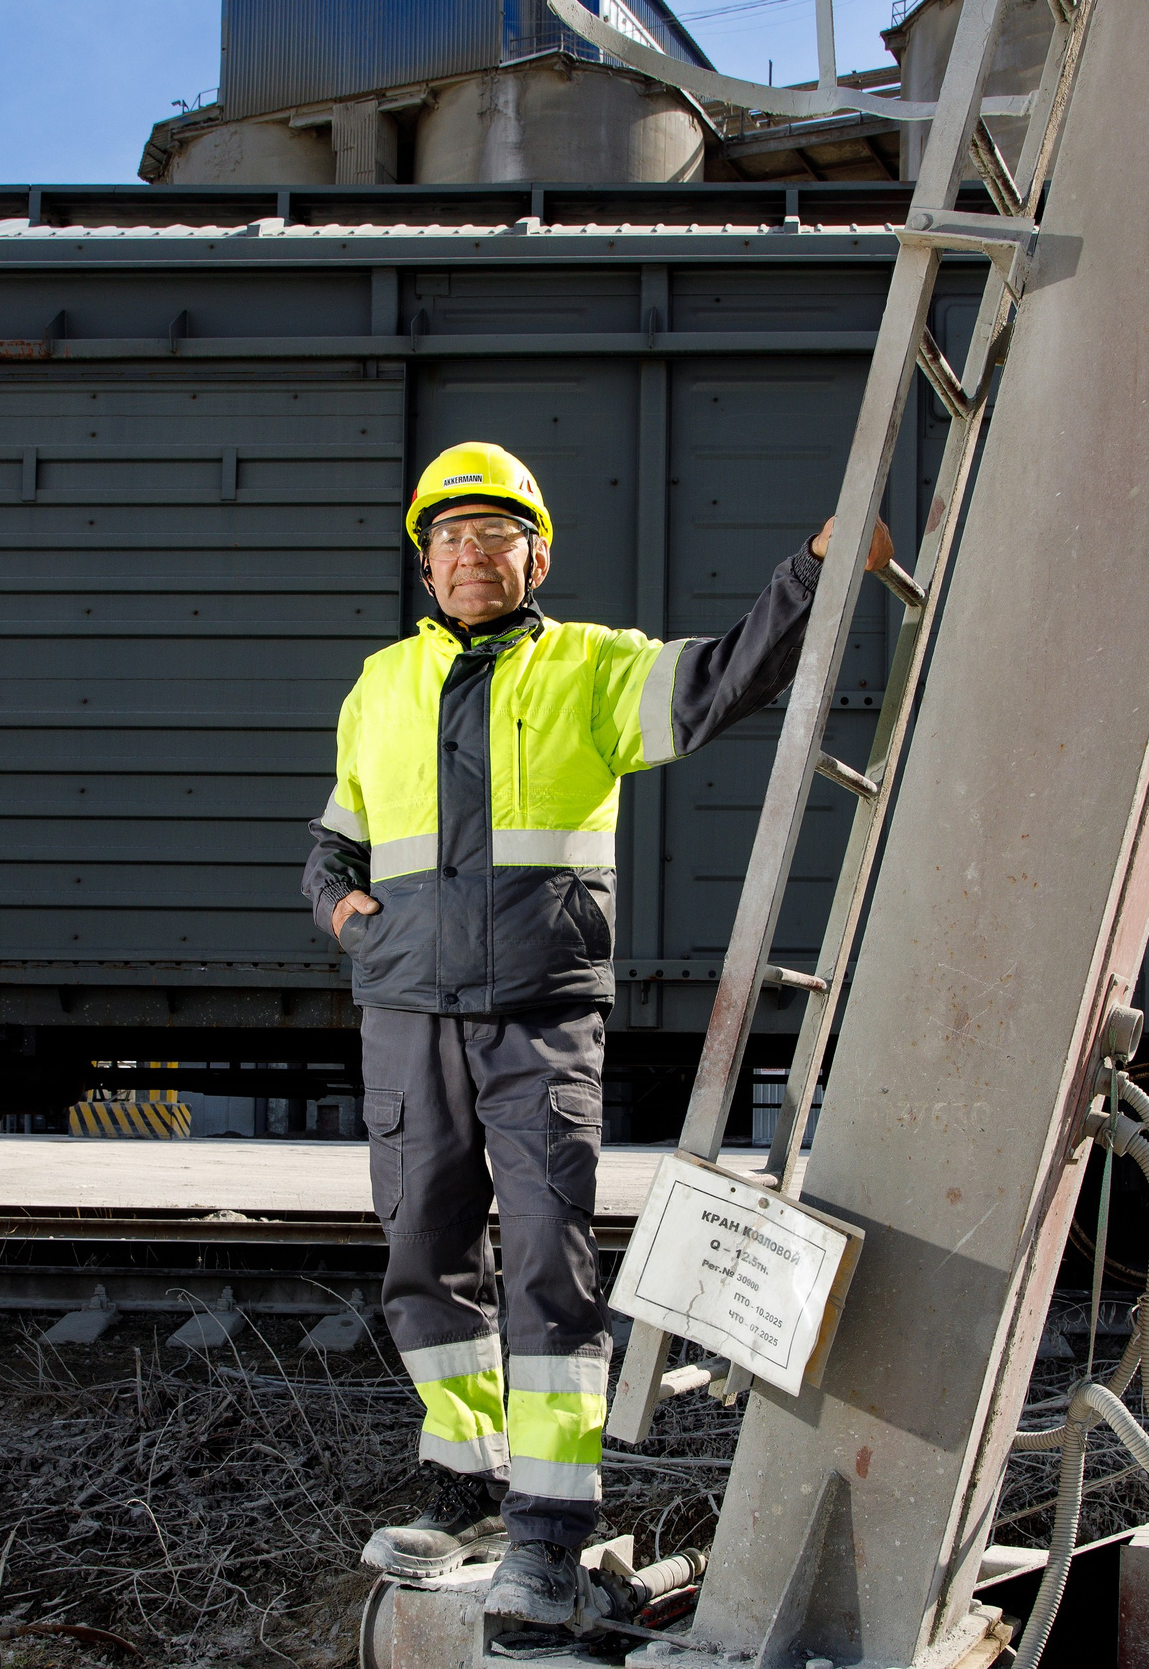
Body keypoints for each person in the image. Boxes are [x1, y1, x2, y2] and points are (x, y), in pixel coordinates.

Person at [303, 440, 891, 1623]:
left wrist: (820, 569)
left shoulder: (589, 669)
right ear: (427, 567)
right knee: (424, 1258)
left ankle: (548, 1536)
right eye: (451, 540)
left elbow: (724, 680)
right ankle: (460, 1483)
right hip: (407, 1016)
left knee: (546, 1270)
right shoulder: (380, 686)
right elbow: (333, 843)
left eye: (495, 536)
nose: (472, 556)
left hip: (537, 1023)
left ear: (537, 555)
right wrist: (342, 913)